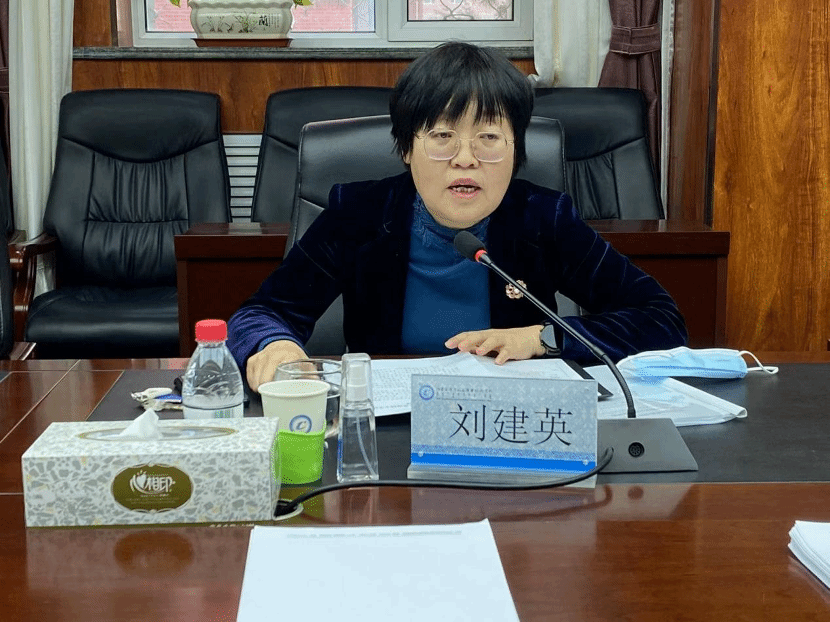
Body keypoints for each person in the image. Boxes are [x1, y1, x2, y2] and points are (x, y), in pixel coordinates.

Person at [228, 41, 687, 392]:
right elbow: (262, 313)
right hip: (391, 426)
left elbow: (661, 319)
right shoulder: (359, 214)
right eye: (442, 136)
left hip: (509, 423)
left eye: (488, 138)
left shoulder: (543, 218)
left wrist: (542, 338)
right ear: (407, 148)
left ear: (516, 151)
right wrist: (275, 344)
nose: (465, 159)